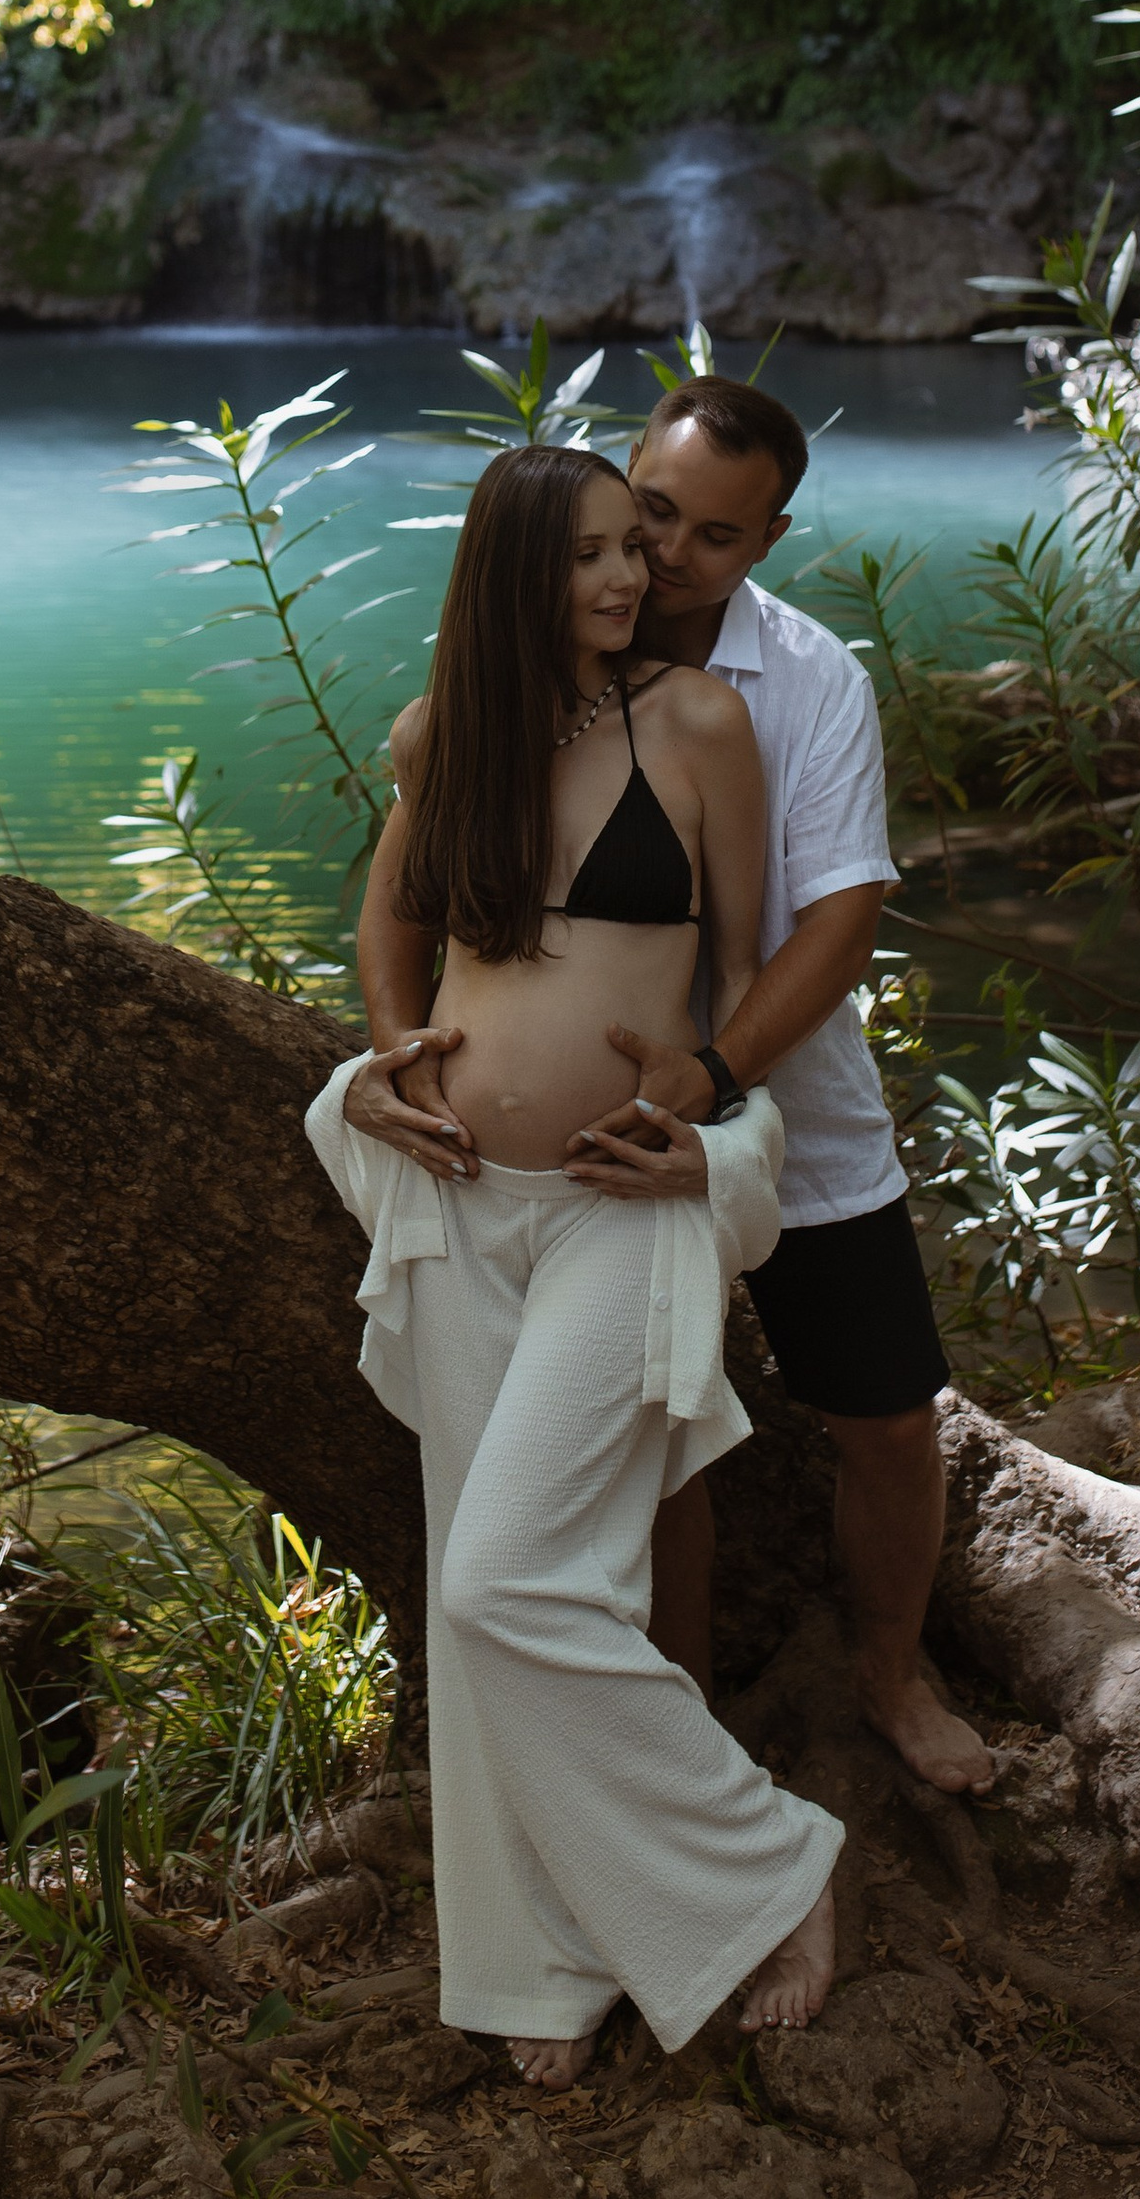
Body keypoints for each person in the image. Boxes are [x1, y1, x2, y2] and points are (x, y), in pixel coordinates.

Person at [350, 374, 991, 1798]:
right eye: (647, 516)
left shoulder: (807, 682)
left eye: (711, 535)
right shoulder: (525, 672)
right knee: (662, 1448)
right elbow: (411, 891)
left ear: (764, 541)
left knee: (885, 1412)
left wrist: (711, 1079)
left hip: (780, 1112)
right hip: (583, 1166)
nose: (662, 560)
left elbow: (828, 924)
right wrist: (392, 1041)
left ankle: (889, 1673)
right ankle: (674, 1745)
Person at [309, 444, 843, 2090]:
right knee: (503, 1611)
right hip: (465, 1207)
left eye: (640, 549)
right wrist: (396, 1050)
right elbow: (389, 924)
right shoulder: (444, 737)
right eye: (597, 554)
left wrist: (705, 1099)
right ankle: (545, 1962)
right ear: (516, 572)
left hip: (621, 1199)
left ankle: (770, 1860)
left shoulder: (697, 726)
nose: (632, 579)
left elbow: (743, 974)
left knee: (504, 1579)